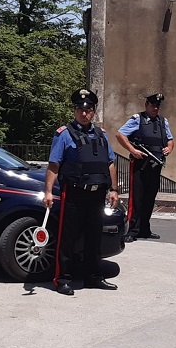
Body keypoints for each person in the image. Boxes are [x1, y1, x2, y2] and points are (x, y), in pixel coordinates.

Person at [43, 89, 120, 296]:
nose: (83, 113)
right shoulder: (64, 134)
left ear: (93, 112)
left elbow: (110, 163)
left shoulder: (101, 135)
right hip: (74, 195)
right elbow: (54, 165)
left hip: (97, 195)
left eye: (87, 110)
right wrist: (48, 192)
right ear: (74, 111)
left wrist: (113, 189)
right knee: (67, 239)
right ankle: (63, 279)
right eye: (79, 109)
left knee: (94, 238)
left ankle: (93, 276)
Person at [115, 93, 174, 243]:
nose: (155, 108)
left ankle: (145, 229)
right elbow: (120, 135)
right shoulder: (137, 119)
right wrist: (133, 151)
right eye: (153, 105)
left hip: (156, 165)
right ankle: (132, 230)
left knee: (149, 198)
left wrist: (169, 148)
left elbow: (170, 140)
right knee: (137, 198)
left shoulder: (162, 121)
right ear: (146, 105)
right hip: (140, 165)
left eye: (157, 106)